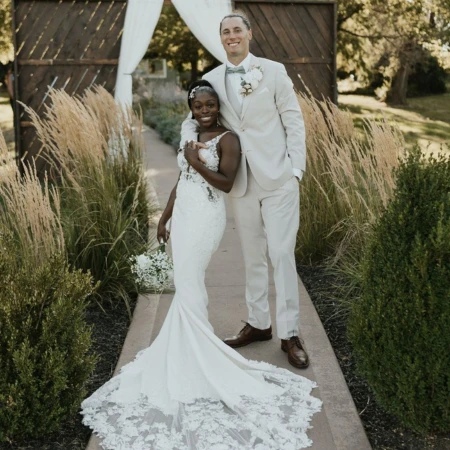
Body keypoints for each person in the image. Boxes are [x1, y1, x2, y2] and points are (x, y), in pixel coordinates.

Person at [81, 81, 321, 449]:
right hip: (185, 213)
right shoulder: (191, 133)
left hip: (208, 216)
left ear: (218, 106)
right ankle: (189, 348)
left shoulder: (228, 139)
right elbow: (183, 177)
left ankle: (200, 355)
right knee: (185, 279)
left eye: (210, 104)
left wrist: (195, 159)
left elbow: (226, 183)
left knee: (190, 280)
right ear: (191, 108)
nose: (205, 109)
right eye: (198, 105)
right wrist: (164, 217)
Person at [180, 11, 309, 369]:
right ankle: (258, 325)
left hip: (279, 177)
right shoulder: (211, 79)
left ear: (249, 34)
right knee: (252, 256)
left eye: (238, 30)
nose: (232, 36)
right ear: (221, 38)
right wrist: (189, 147)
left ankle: (290, 333)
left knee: (282, 254)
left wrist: (295, 169)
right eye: (226, 31)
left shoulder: (273, 70)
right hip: (240, 182)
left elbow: (293, 119)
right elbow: (193, 120)